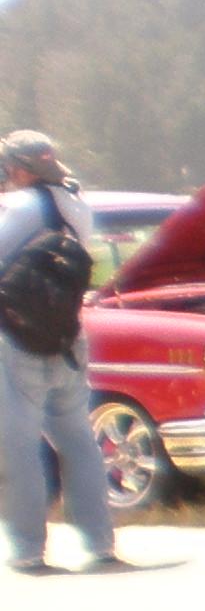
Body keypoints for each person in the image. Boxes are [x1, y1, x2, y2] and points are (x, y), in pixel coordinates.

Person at [0, 129, 124, 576]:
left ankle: (29, 549)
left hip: (18, 340)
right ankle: (100, 541)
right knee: (77, 439)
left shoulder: (21, 206)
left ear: (19, 168)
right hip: (68, 337)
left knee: (18, 446)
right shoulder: (76, 205)